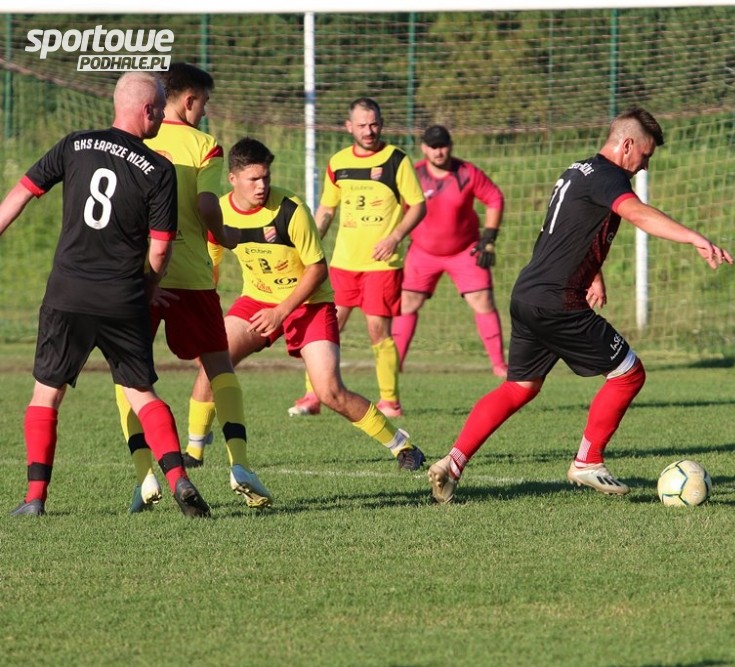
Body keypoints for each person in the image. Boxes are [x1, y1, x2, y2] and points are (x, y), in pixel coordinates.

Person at [426, 107, 733, 504]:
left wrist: (594, 273)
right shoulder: (609, 176)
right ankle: (588, 461)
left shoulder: (578, 170)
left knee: (519, 387)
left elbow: (571, 230)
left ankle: (452, 464)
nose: (644, 166)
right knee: (628, 374)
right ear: (627, 145)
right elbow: (637, 214)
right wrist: (694, 237)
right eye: (645, 155)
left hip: (528, 294)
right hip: (558, 301)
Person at [1, 71, 210, 517]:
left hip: (68, 294)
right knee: (142, 393)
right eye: (159, 109)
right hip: (122, 297)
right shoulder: (159, 169)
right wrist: (148, 288)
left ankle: (35, 499)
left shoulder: (74, 144)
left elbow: (19, 195)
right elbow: (160, 250)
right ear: (147, 110)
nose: (162, 117)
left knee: (46, 395)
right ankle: (179, 478)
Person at [192, 138, 425, 470]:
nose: (262, 186)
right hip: (257, 299)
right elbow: (209, 267)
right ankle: (194, 452)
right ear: (233, 179)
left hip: (310, 302)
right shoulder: (220, 212)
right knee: (212, 360)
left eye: (266, 177)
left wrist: (280, 312)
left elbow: (317, 270)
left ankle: (402, 445)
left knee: (330, 392)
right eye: (253, 179)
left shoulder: (290, 208)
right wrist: (204, 315)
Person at [115, 63, 271, 513]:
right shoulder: (205, 145)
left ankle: (145, 474)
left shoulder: (134, 138)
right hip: (192, 277)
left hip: (139, 276)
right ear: (189, 100)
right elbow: (206, 204)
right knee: (219, 365)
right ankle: (240, 465)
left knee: (129, 375)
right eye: (204, 103)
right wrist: (224, 235)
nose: (204, 112)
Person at [288, 97, 426, 418]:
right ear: (349, 126)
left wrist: (394, 237)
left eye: (374, 124)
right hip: (343, 263)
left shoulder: (396, 160)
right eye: (362, 125)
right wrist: (309, 247)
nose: (369, 130)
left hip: (381, 264)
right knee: (325, 327)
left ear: (382, 124)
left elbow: (418, 206)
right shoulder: (338, 163)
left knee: (377, 329)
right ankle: (313, 395)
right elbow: (326, 210)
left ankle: (390, 401)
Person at [390, 125, 508, 377]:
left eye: (442, 146)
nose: (438, 152)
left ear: (451, 146)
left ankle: (499, 366)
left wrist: (489, 238)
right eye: (433, 147)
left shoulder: (467, 172)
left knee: (483, 300)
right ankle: (394, 365)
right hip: (422, 252)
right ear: (424, 148)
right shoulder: (414, 174)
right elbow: (396, 207)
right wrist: (392, 237)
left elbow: (494, 198)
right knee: (407, 303)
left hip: (465, 251)